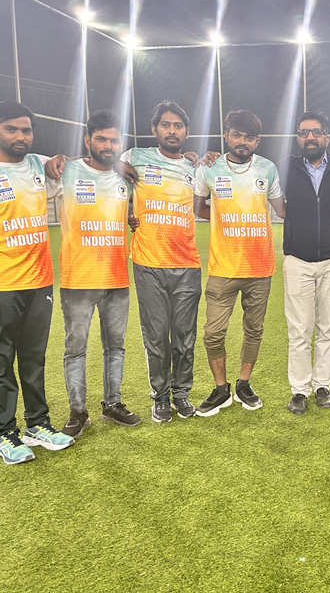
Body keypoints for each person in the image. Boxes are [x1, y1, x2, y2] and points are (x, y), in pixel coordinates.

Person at [0, 101, 74, 464]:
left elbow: (75, 167)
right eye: (12, 129)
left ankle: (37, 425)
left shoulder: (39, 165)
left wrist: (61, 157)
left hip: (40, 282)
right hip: (1, 286)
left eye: (26, 129)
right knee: (1, 361)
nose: (21, 136)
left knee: (34, 358)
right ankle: (4, 434)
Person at [46, 110, 141, 438]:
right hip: (78, 279)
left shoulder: (125, 179)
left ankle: (112, 404)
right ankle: (78, 412)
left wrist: (130, 219)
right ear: (88, 140)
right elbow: (29, 172)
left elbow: (125, 213)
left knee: (116, 347)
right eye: (101, 139)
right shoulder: (67, 171)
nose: (108, 145)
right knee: (76, 348)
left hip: (117, 278)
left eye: (114, 140)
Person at [192, 110, 285, 416]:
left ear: (257, 141)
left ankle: (244, 383)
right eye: (237, 135)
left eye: (249, 137)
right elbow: (199, 208)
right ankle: (221, 390)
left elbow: (282, 211)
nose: (242, 141)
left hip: (260, 268)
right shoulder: (209, 167)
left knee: (254, 330)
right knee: (213, 333)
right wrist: (225, 220)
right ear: (227, 135)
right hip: (223, 268)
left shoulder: (268, 169)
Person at [119, 101, 202, 423]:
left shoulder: (194, 167)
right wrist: (126, 211)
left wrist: (206, 157)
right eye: (165, 125)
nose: (171, 130)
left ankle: (181, 393)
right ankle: (161, 396)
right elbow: (99, 169)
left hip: (187, 264)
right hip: (148, 263)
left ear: (186, 132)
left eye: (178, 126)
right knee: (156, 337)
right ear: (154, 129)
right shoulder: (134, 157)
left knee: (184, 337)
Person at [277, 111, 330, 414]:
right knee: (299, 330)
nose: (309, 137)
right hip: (297, 259)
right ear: (298, 137)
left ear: (327, 136)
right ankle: (299, 389)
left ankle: (322, 385)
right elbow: (274, 201)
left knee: (328, 327)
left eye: (316, 132)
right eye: (303, 132)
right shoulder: (285, 166)